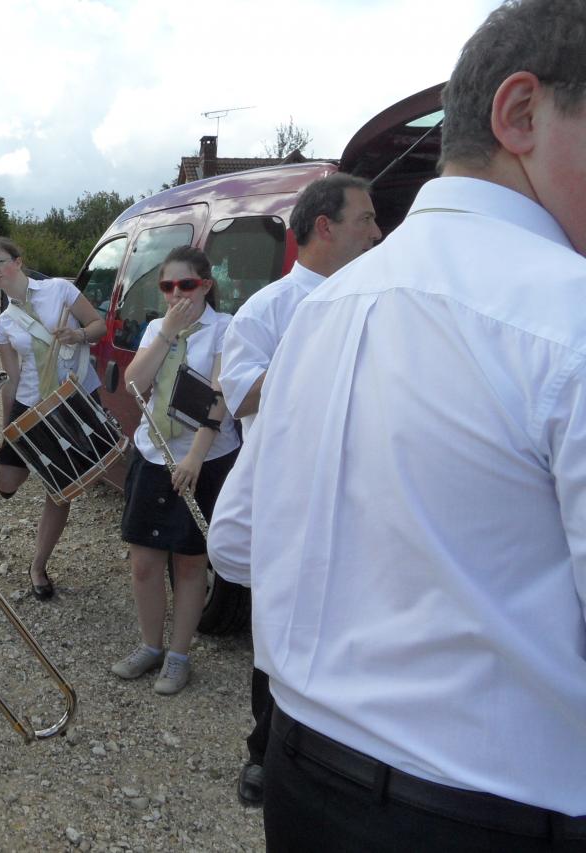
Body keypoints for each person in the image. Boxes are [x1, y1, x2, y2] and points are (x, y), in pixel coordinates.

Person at [207, 0, 586, 848]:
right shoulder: (569, 314)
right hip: (496, 811)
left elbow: (236, 540)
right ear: (521, 113)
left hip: (304, 782)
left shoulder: (320, 311)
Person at [217, 172, 380, 806]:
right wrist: (314, 362)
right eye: (366, 219)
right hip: (290, 493)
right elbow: (241, 394)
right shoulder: (270, 308)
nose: (378, 231)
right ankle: (266, 753)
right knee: (280, 626)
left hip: (361, 489)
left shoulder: (381, 298)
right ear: (324, 227)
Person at [109, 246, 239, 695]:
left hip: (203, 457)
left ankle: (179, 655)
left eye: (186, 284)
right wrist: (166, 332)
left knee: (189, 563)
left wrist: (195, 457)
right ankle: (151, 646)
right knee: (144, 562)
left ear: (206, 284)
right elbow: (134, 385)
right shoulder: (155, 328)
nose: (176, 294)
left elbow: (220, 397)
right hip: (153, 453)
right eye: (167, 286)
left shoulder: (225, 329)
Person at [0, 236, 107, 600]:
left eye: (0, 261)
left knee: (61, 489)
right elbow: (12, 378)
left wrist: (79, 334)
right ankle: (38, 466)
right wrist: (8, 428)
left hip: (69, 398)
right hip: (30, 402)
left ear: (18, 261)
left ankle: (38, 566)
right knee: (7, 482)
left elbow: (98, 325)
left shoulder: (59, 291)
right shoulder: (4, 324)